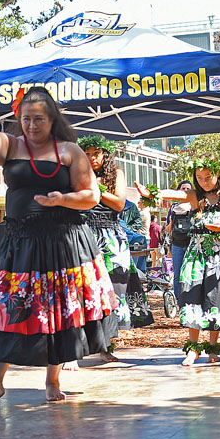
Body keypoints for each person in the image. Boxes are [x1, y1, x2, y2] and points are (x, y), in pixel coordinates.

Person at [0, 84, 115, 410]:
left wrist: (63, 199)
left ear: (52, 119)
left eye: (39, 119)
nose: (32, 125)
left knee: (56, 313)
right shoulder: (12, 146)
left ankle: (52, 379)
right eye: (26, 119)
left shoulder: (69, 151)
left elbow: (91, 195)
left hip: (63, 240)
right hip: (20, 242)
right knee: (7, 311)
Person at [136, 157, 220, 366]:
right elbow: (173, 193)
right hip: (197, 252)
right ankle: (192, 349)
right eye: (199, 178)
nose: (204, 181)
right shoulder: (193, 196)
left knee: (215, 298)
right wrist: (151, 193)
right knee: (192, 295)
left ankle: (213, 347)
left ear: (218, 175)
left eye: (208, 177)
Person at [62, 135, 153, 371]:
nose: (92, 158)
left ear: (105, 154)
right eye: (87, 153)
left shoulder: (117, 174)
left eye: (96, 153)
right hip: (83, 233)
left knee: (111, 291)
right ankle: (75, 350)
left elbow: (120, 204)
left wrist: (95, 189)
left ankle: (105, 347)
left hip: (111, 237)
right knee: (81, 290)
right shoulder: (75, 174)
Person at [165, 181, 194, 301]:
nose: (185, 191)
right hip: (177, 244)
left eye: (188, 188)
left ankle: (192, 297)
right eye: (183, 188)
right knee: (177, 273)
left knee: (192, 272)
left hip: (192, 244)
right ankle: (178, 299)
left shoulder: (195, 206)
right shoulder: (173, 208)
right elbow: (167, 229)